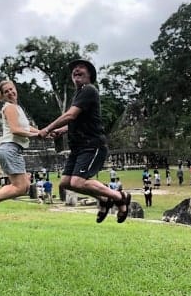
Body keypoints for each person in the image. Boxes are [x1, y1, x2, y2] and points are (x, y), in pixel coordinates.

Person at [37, 59, 131, 223]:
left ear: (90, 75)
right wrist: (62, 130)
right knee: (66, 182)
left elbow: (70, 115)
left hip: (92, 145)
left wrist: (48, 129)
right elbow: (79, 120)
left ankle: (119, 196)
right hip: (78, 148)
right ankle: (104, 199)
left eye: (81, 68)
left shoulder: (89, 90)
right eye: (74, 69)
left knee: (78, 182)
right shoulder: (79, 94)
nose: (76, 70)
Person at [0, 80, 40, 223]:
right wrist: (38, 135)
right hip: (9, 148)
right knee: (20, 187)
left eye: (11, 89)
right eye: (6, 92)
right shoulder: (9, 107)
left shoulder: (17, 108)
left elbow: (26, 127)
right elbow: (16, 130)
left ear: (15, 89)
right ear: (3, 95)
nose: (10, 93)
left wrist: (43, 132)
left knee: (24, 187)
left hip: (14, 149)